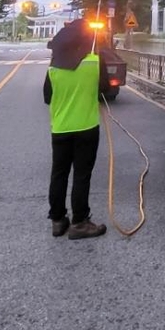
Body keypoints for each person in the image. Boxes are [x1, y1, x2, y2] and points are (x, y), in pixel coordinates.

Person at [43, 19, 112, 239]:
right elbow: (103, 90)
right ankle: (80, 222)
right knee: (81, 175)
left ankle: (57, 220)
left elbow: (47, 97)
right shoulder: (93, 61)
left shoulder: (53, 67)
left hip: (60, 128)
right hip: (86, 127)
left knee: (59, 173)